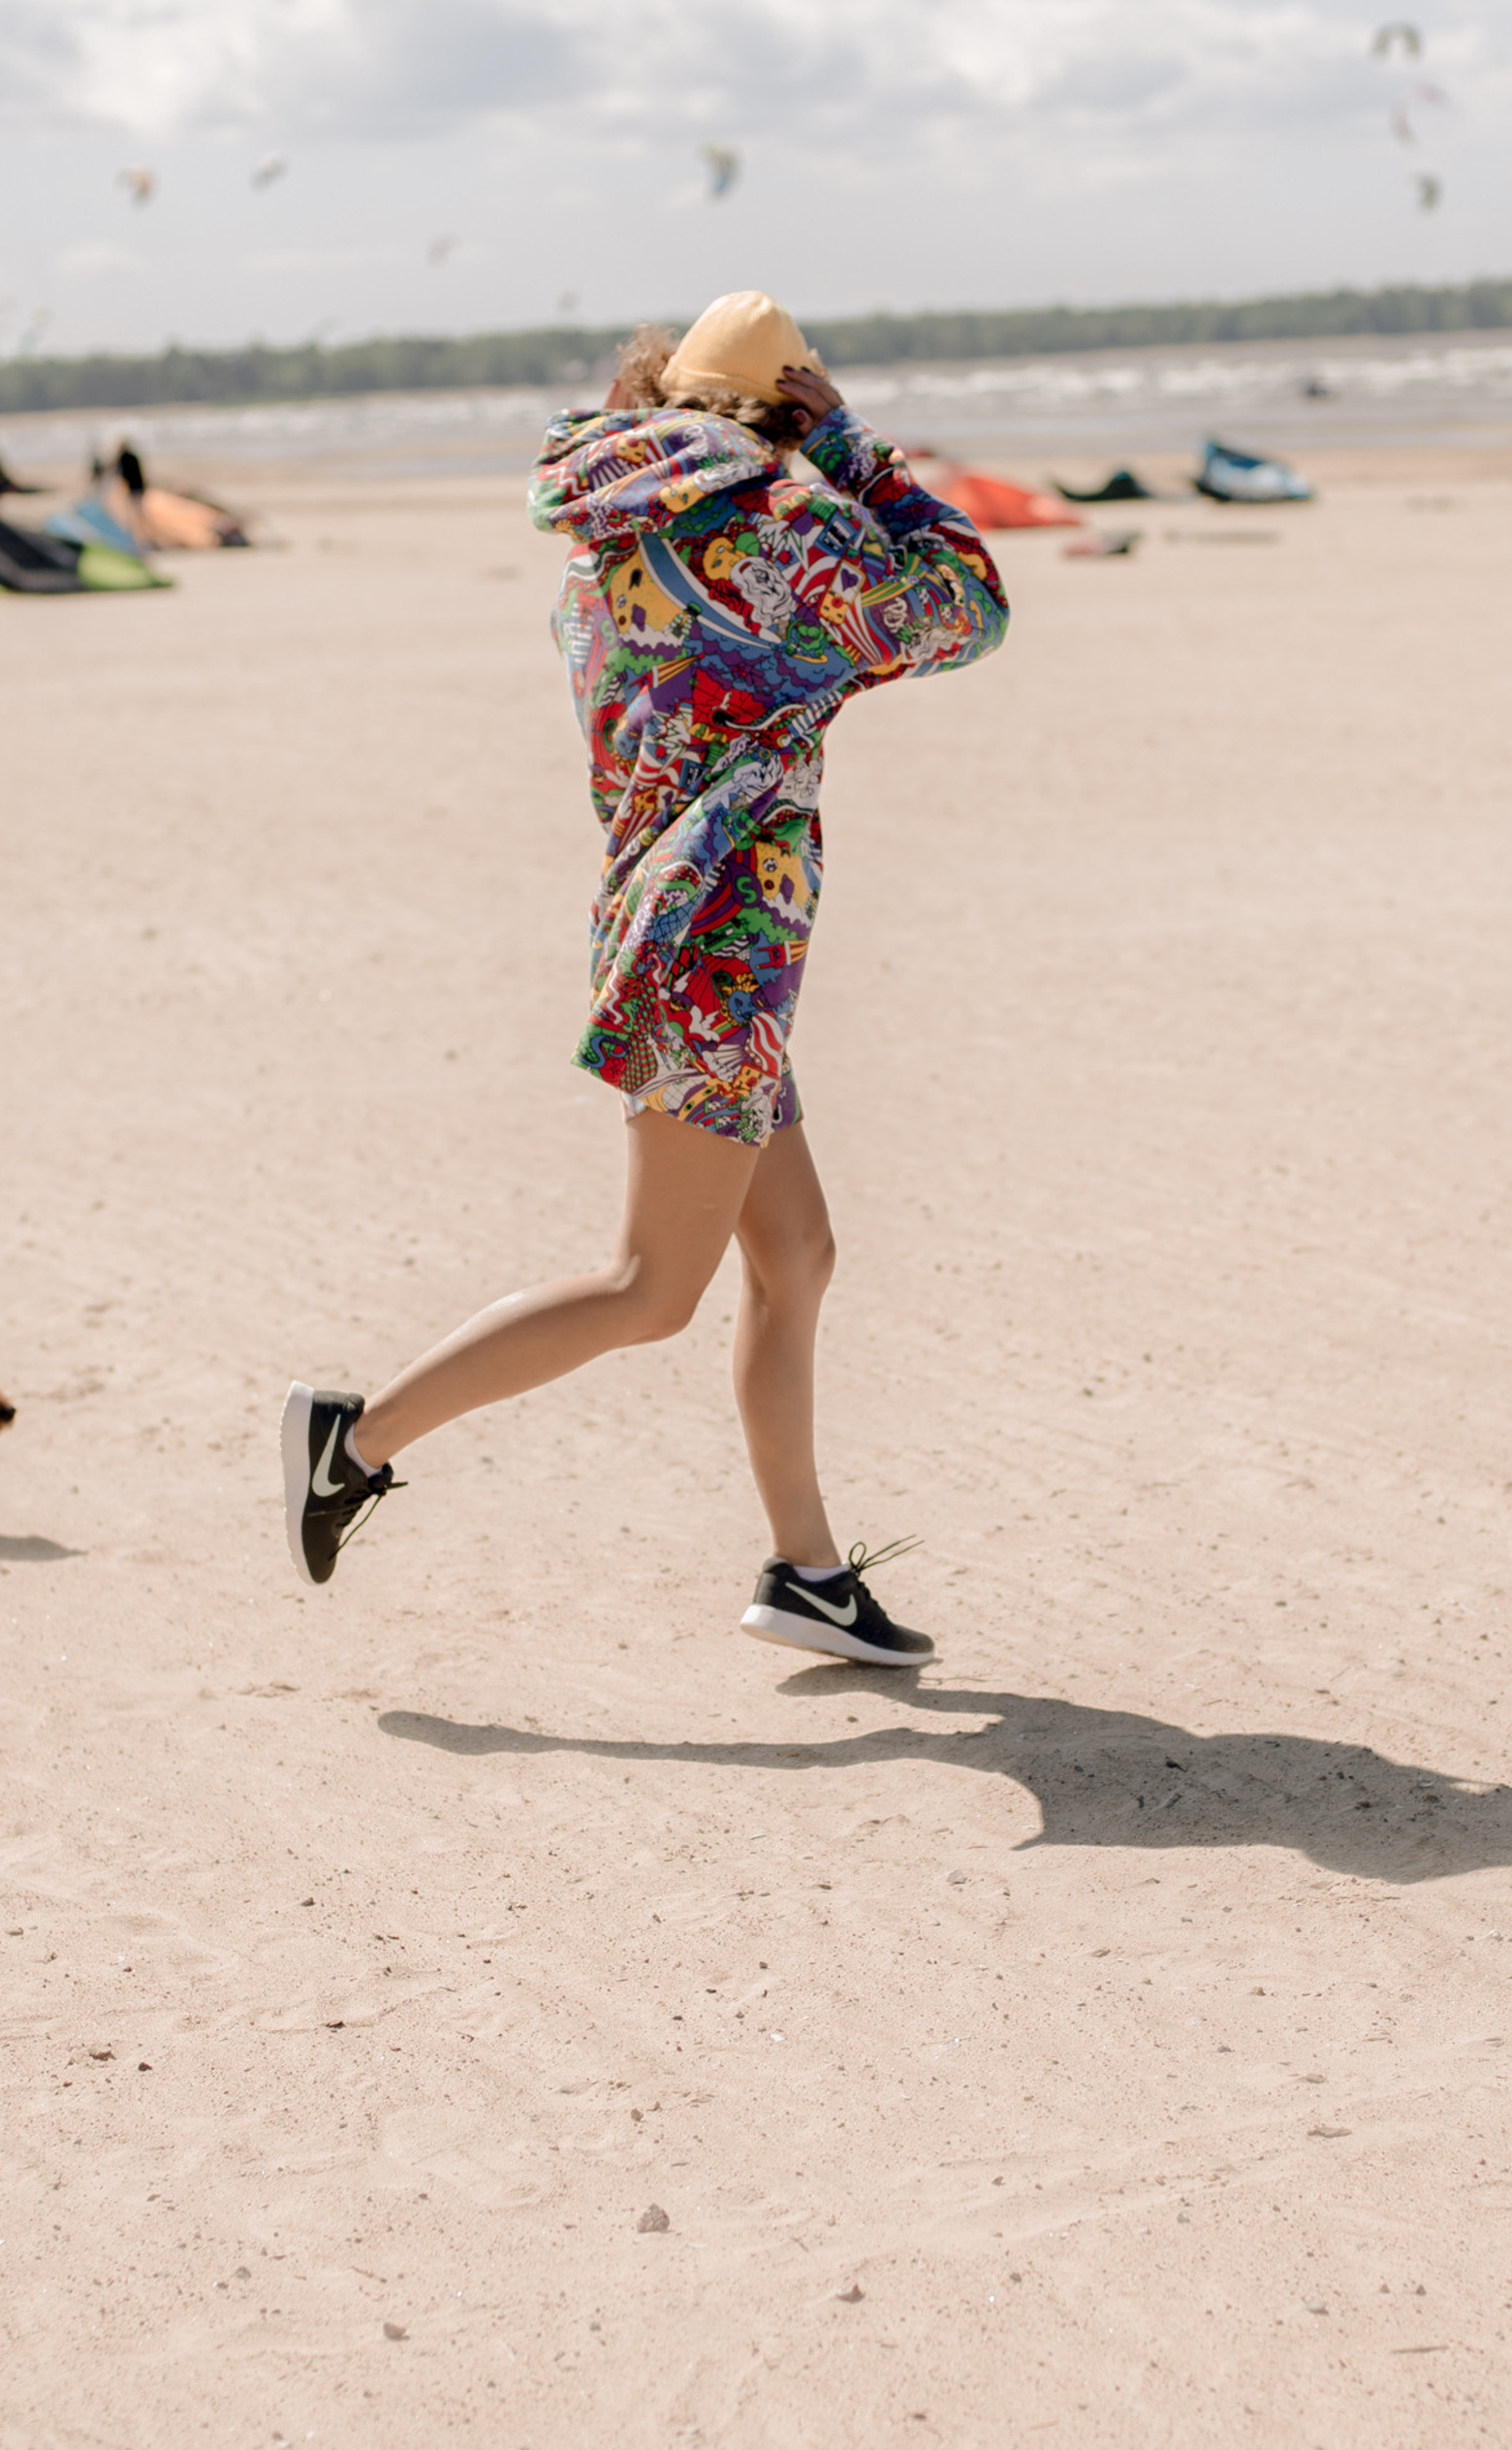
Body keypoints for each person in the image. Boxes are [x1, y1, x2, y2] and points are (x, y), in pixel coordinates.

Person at [279, 290, 1009, 1667]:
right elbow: (970, 605)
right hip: (714, 949)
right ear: (770, 411)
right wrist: (848, 445)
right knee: (649, 1287)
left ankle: (804, 1573)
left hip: (685, 930)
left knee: (796, 1257)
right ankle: (352, 1442)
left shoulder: (609, 539)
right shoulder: (771, 542)